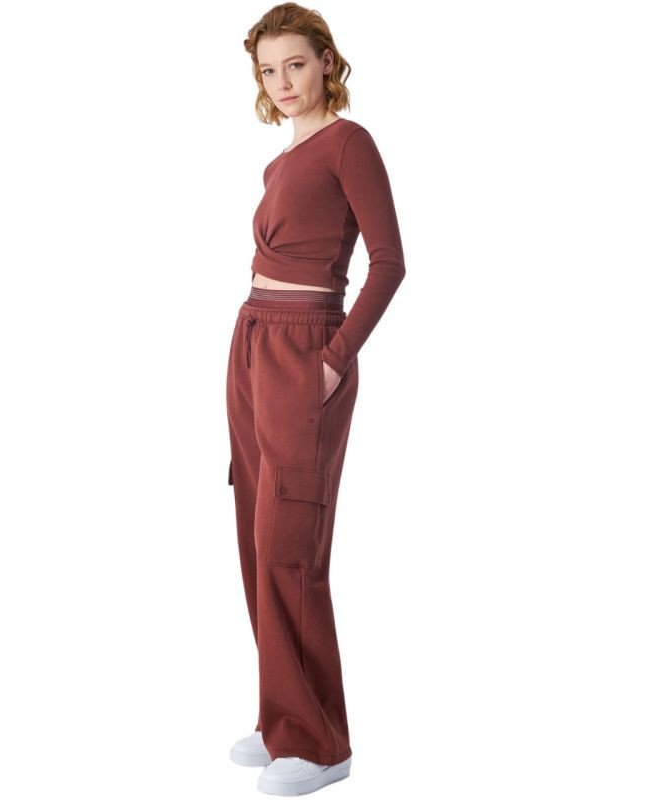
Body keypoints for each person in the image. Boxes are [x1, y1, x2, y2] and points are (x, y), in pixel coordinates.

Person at [225, 4, 406, 795]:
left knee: (290, 543)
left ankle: (321, 745)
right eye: (268, 69)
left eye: (295, 63)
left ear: (327, 61)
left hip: (305, 348)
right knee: (256, 532)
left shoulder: (349, 144)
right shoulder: (283, 160)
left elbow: (389, 262)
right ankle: (283, 719)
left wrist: (334, 360)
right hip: (253, 341)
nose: (282, 81)